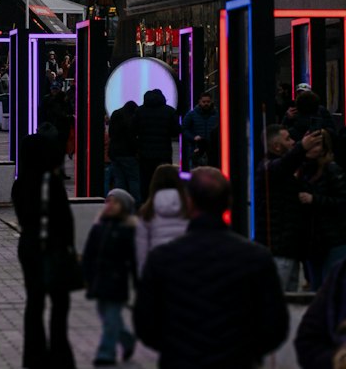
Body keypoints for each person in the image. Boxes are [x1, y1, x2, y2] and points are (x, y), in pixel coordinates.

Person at [133, 166, 288, 369]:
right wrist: (248, 350)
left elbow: (146, 323)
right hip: (237, 360)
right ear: (228, 203)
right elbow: (275, 324)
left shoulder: (162, 258)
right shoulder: (256, 258)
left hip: (181, 360)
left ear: (189, 202)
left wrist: (174, 347)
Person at [11, 125, 77, 369]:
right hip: (51, 245)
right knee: (60, 304)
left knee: (34, 302)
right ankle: (59, 354)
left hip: (28, 244)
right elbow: (64, 218)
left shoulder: (21, 183)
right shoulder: (51, 182)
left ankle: (34, 355)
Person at [256, 123, 321, 291]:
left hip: (290, 249)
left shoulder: (285, 169)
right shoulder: (268, 167)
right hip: (278, 250)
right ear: (276, 146)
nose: (292, 142)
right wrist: (301, 148)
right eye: (288, 139)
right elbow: (285, 164)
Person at [82, 188, 137, 366]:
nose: (110, 205)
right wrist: (86, 273)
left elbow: (133, 259)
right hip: (99, 278)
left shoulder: (127, 230)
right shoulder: (99, 227)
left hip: (116, 280)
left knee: (111, 317)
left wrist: (137, 282)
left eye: (115, 202)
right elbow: (89, 252)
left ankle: (106, 352)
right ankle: (127, 339)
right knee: (106, 314)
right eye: (108, 201)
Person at [298, 127, 346, 287]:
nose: (311, 148)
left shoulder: (332, 170)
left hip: (332, 238)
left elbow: (342, 201)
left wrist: (315, 199)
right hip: (314, 239)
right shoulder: (304, 170)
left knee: (329, 286)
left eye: (317, 145)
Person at [135, 164, 188, 274]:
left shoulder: (147, 211)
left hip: (158, 265)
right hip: (183, 263)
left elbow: (141, 249)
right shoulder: (188, 207)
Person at [134, 89, 179, 202]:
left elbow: (133, 130)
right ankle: (163, 203)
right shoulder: (169, 111)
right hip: (163, 153)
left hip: (145, 153)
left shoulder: (140, 111)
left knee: (146, 181)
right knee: (164, 180)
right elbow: (175, 131)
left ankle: (146, 205)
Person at [106, 101, 140, 201]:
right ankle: (135, 202)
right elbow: (132, 138)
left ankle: (120, 202)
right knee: (133, 179)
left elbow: (111, 133)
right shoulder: (132, 119)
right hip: (128, 154)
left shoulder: (116, 114)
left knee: (119, 179)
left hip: (114, 152)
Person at [180, 93, 219, 170]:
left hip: (212, 150)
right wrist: (193, 137)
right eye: (204, 102)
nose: (206, 104)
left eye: (208, 101)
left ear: (211, 102)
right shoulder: (191, 115)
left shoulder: (216, 115)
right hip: (196, 149)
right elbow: (184, 129)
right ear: (199, 102)